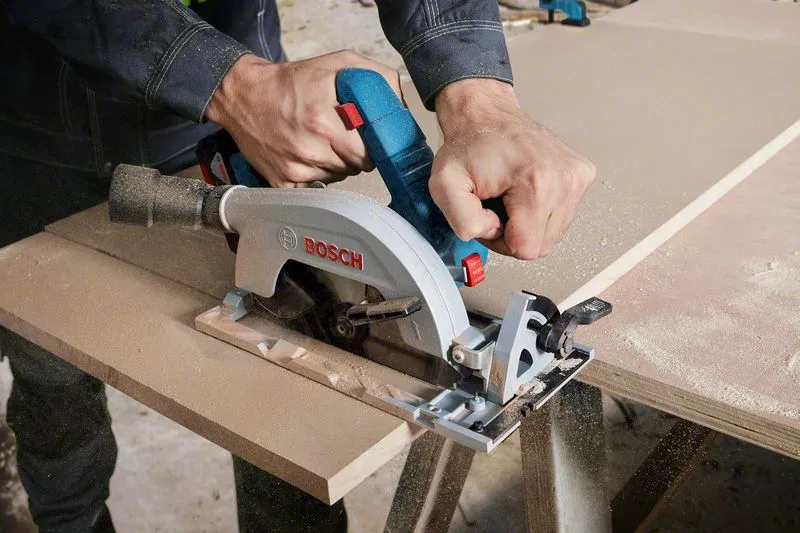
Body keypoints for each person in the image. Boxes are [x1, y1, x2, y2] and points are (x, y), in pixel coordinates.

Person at [0, 1, 596, 532]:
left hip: (242, 102)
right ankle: (70, 519)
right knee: (53, 375)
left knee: (276, 410)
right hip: (39, 135)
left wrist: (479, 100)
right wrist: (228, 83)